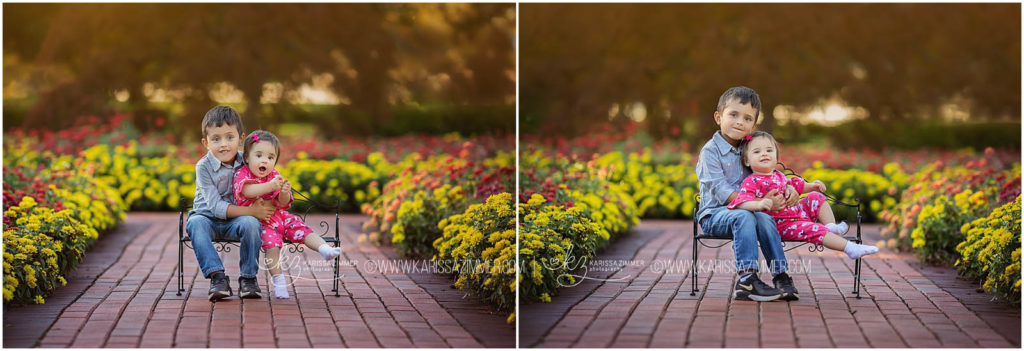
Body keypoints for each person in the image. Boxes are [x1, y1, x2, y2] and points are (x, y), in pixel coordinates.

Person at [695, 86, 798, 301]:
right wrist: (759, 202)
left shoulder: (749, 148)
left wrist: (788, 189)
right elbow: (722, 191)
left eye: (747, 118)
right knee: (744, 214)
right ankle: (747, 279)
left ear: (754, 125)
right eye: (733, 115)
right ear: (718, 117)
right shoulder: (710, 152)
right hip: (715, 215)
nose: (739, 122)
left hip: (752, 211)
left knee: (762, 218)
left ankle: (781, 276)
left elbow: (769, 174)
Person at [728, 131, 879, 260]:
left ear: (776, 156)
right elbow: (742, 201)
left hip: (798, 213)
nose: (764, 154)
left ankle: (831, 226)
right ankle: (849, 248)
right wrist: (759, 204)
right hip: (782, 224)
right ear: (747, 160)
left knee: (815, 196)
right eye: (757, 152)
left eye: (769, 150)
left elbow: (796, 184)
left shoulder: (778, 175)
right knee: (814, 229)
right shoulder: (751, 181)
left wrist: (812, 185)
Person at [233, 130, 342, 299]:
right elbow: (247, 191)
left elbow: (282, 203)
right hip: (261, 222)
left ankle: (325, 249)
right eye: (259, 155)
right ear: (247, 157)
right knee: (273, 246)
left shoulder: (274, 175)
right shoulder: (242, 174)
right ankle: (279, 282)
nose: (265, 160)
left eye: (270, 157)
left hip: (281, 217)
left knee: (303, 229)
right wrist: (270, 186)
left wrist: (283, 192)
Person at [186, 105, 275, 301]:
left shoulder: (247, 160)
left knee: (251, 224)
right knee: (194, 223)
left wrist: (274, 193)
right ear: (206, 143)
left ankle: (248, 279)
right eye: (216, 139)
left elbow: (265, 176)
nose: (223, 144)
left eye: (229, 137)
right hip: (207, 218)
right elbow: (216, 207)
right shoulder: (203, 167)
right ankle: (217, 277)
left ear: (241, 139)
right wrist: (252, 211)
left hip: (237, 220)